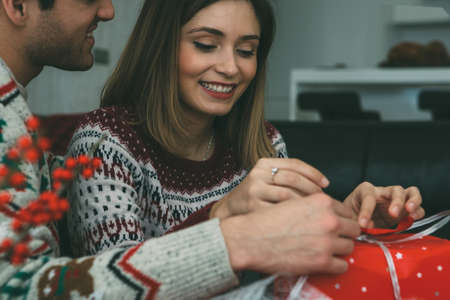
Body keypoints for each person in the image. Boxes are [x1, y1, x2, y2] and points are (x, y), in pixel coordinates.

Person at [0, 1, 424, 300]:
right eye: (206, 44)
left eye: (247, 51)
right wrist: (223, 216)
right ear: (162, 47)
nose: (230, 67)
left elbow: (295, 269)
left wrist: (352, 220)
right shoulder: (104, 144)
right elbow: (115, 283)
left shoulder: (264, 143)